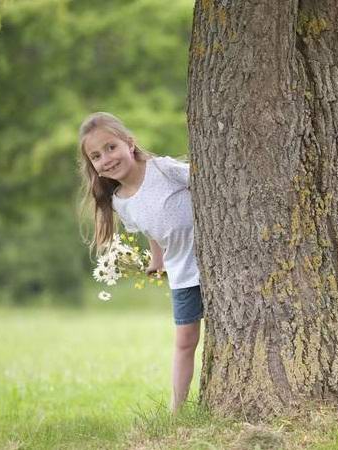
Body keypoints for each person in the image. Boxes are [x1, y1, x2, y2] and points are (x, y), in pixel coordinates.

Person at [77, 112, 202, 410]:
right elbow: (153, 231)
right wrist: (157, 260)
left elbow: (208, 184)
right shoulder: (121, 201)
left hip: (217, 266)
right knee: (185, 341)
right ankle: (177, 409)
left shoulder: (162, 169)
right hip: (183, 273)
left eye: (111, 147)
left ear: (129, 144)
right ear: (93, 167)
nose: (106, 158)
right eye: (96, 156)